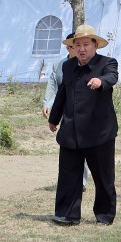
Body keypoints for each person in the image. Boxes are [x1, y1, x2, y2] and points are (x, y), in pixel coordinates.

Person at [48, 24, 119, 226]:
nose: (81, 49)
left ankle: (104, 215)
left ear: (95, 45)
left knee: (103, 176)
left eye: (86, 44)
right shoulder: (68, 66)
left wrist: (100, 81)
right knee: (69, 175)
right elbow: (63, 93)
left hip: (99, 131)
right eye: (77, 45)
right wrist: (54, 118)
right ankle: (68, 214)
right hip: (71, 130)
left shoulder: (107, 63)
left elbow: (112, 77)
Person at [43, 35, 88, 190]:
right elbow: (54, 86)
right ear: (69, 48)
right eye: (75, 45)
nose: (79, 49)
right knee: (68, 145)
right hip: (66, 111)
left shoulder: (88, 64)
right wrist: (48, 104)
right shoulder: (60, 65)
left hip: (83, 113)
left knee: (82, 145)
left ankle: (81, 181)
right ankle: (69, 179)